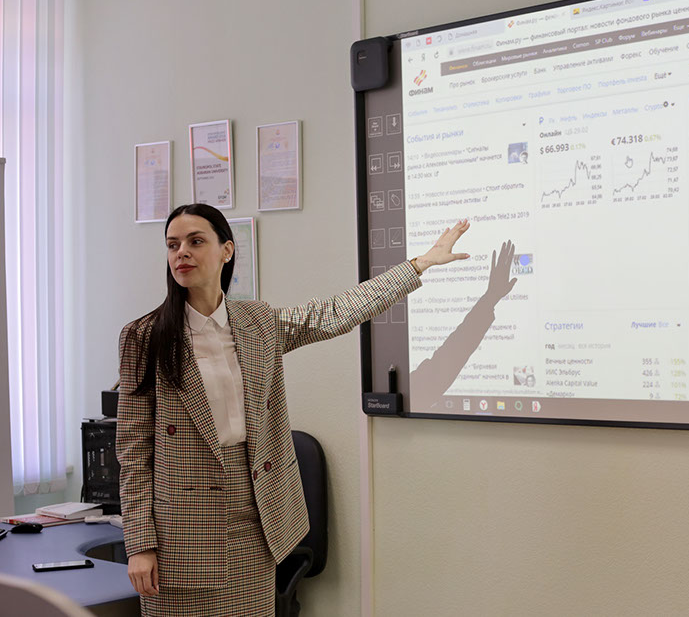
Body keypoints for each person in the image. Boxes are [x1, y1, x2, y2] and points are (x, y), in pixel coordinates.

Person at [116, 203, 470, 616]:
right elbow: (133, 451)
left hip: (256, 519)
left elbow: (334, 313)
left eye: (195, 241)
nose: (182, 253)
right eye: (173, 245)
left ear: (227, 250)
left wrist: (419, 265)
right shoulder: (144, 337)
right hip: (181, 533)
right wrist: (140, 544)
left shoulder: (258, 322)